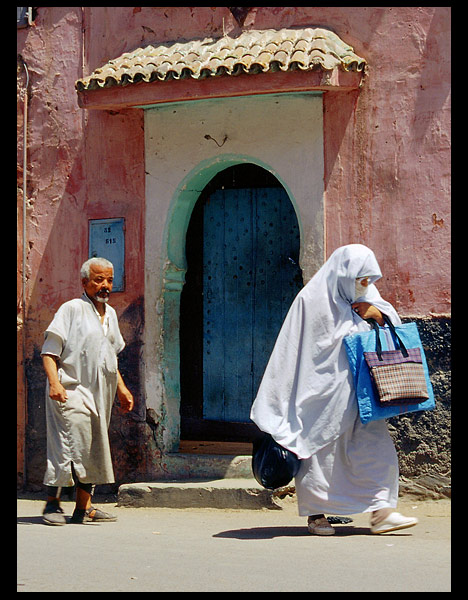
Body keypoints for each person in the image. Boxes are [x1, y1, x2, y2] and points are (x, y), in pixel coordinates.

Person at [250, 244, 418, 535]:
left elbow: (391, 326)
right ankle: (316, 516)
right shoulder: (310, 301)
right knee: (319, 455)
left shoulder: (367, 297)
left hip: (362, 394)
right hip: (319, 395)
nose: (364, 286)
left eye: (368, 280)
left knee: (375, 448)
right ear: (342, 275)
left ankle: (382, 512)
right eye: (359, 280)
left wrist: (376, 314)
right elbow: (294, 351)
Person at [40, 257, 134, 525]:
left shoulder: (111, 314)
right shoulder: (71, 309)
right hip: (70, 389)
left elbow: (110, 357)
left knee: (94, 445)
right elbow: (49, 351)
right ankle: (52, 504)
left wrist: (122, 389)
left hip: (100, 393)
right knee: (67, 444)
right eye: (98, 280)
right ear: (85, 282)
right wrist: (55, 384)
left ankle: (84, 508)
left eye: (109, 280)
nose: (105, 285)